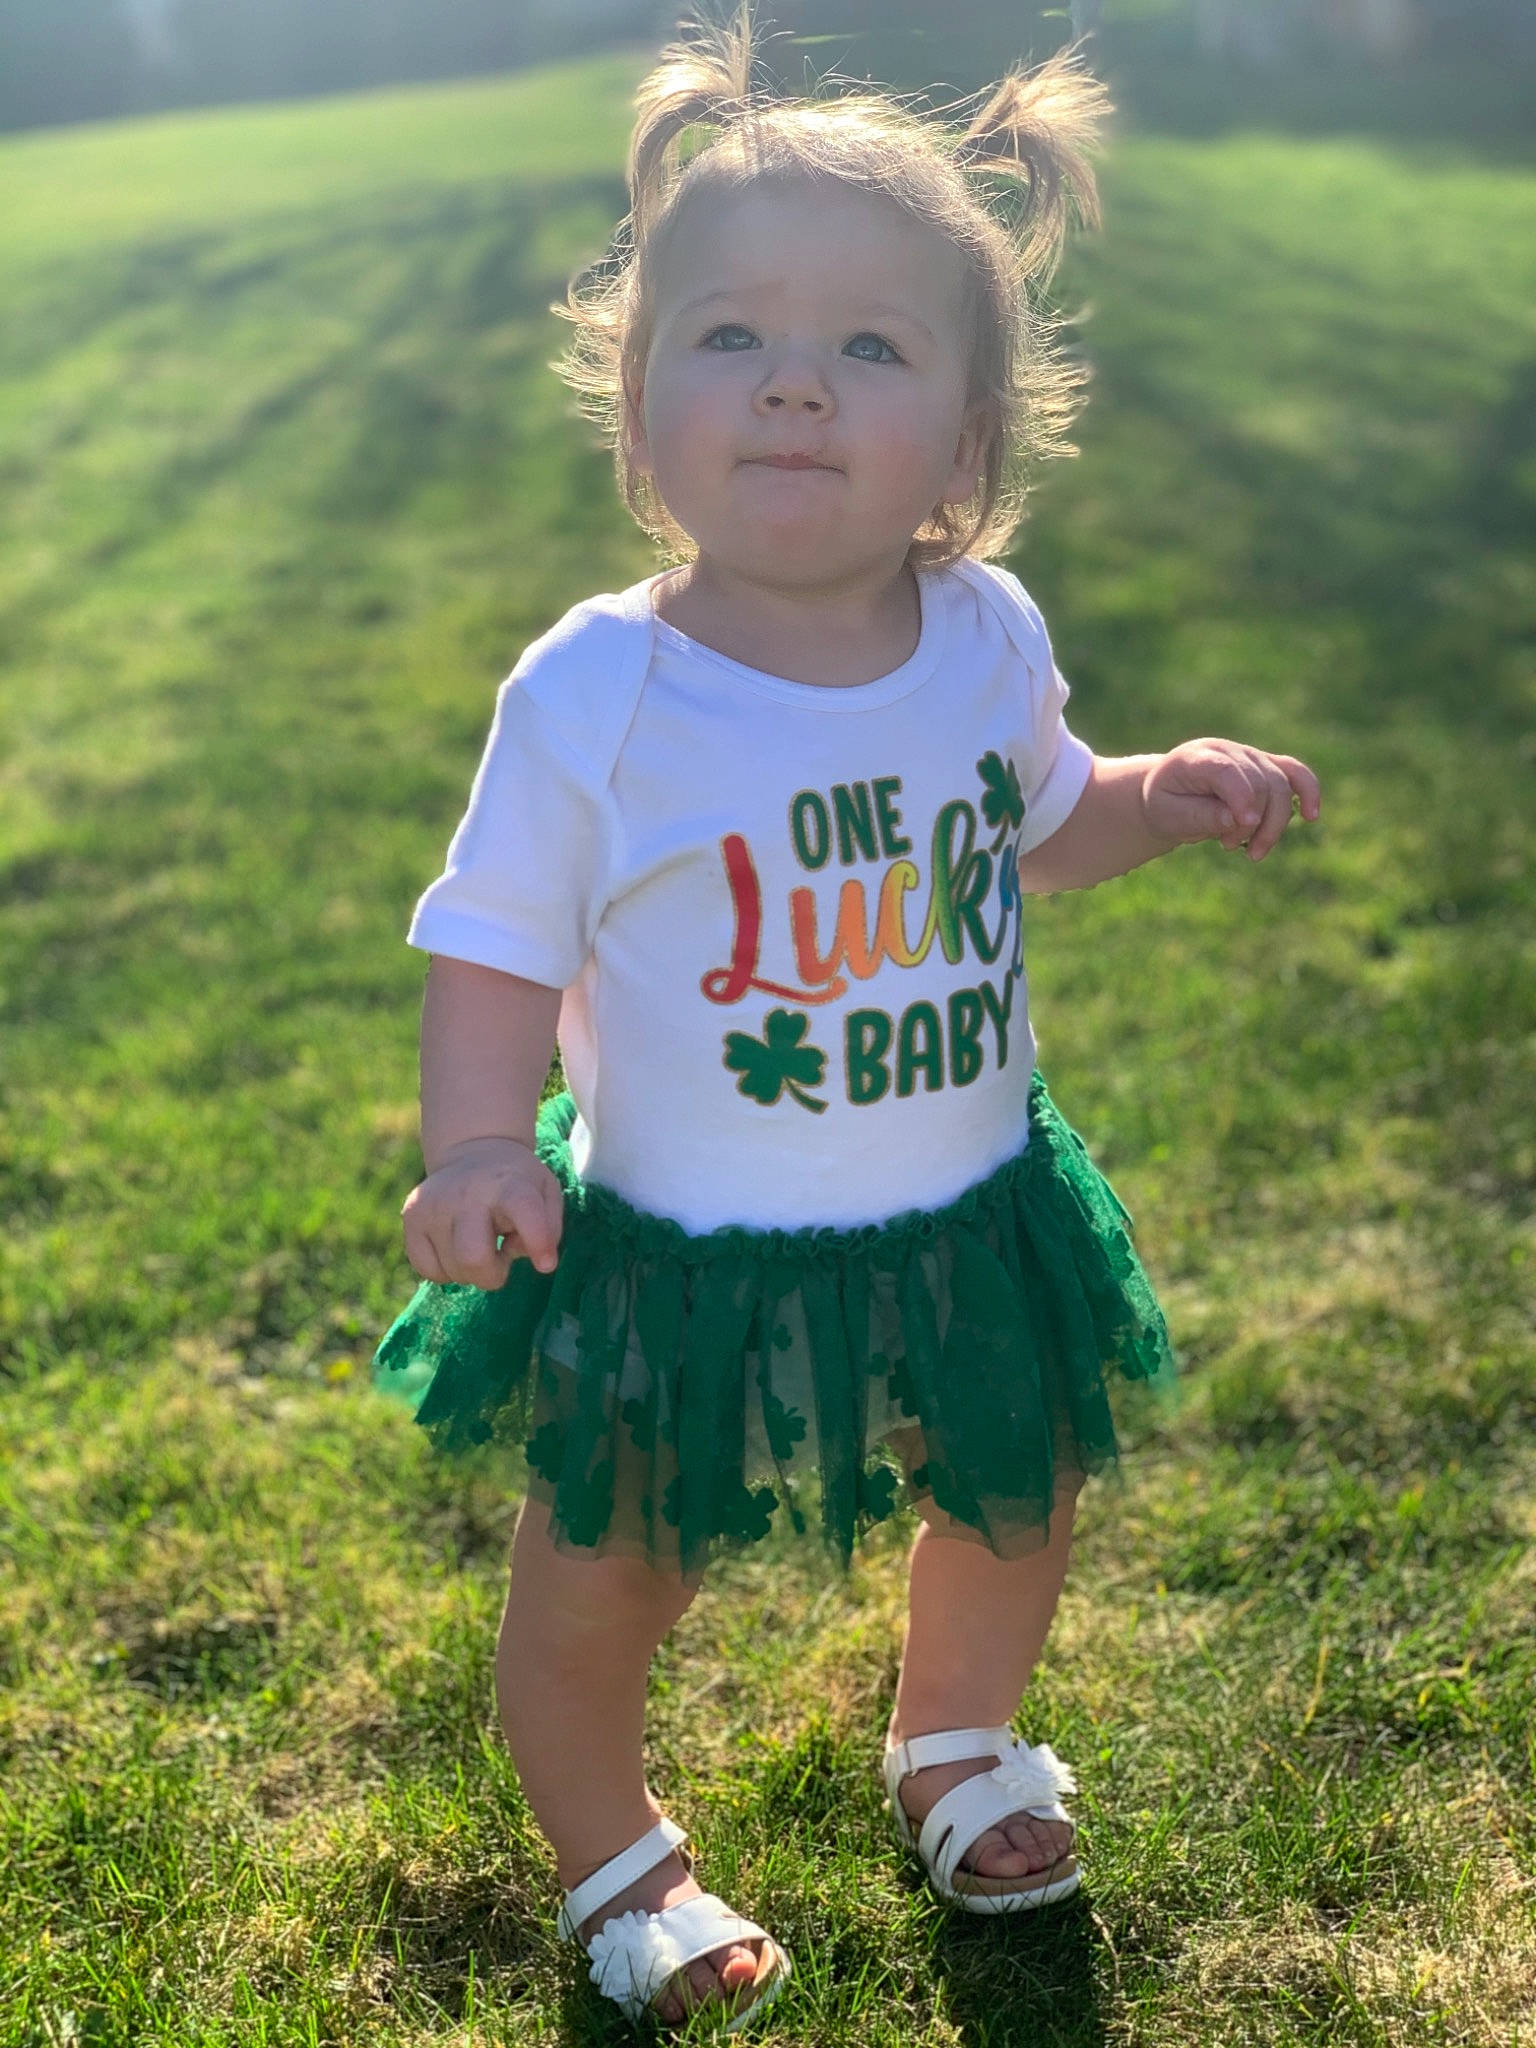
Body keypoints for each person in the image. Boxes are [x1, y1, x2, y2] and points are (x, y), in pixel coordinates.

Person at [371, 4, 1320, 2028]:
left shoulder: (984, 637)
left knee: (1010, 1485)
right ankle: (617, 1854)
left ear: (965, 446)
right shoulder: (598, 692)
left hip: (963, 1203)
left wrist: (1162, 794)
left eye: (871, 350)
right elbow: (495, 938)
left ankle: (957, 1743)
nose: (794, 380)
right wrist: (473, 1141)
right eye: (730, 337)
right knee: (609, 1560)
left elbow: (1043, 819)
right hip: (680, 1244)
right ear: (640, 406)